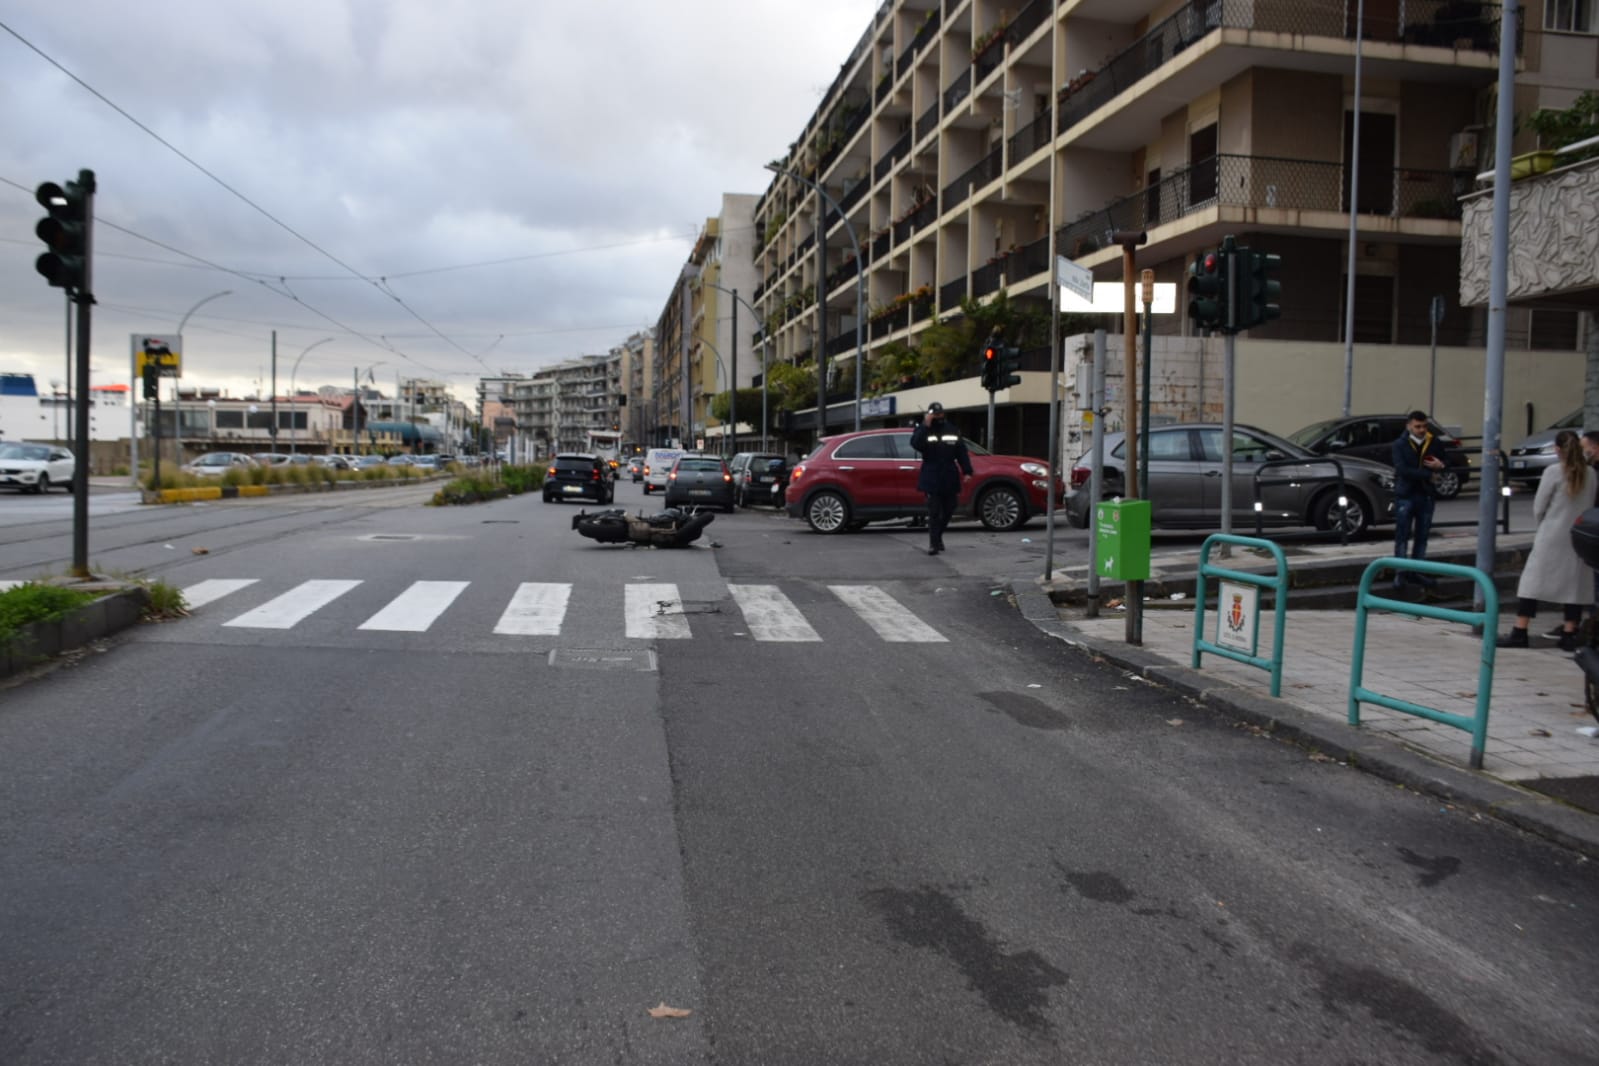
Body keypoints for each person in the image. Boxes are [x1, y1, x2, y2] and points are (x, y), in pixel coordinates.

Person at [1499, 430, 1596, 651]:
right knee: (1574, 585)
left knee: (1532, 584)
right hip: (1577, 535)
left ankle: (1520, 630)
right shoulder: (1590, 473)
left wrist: (1545, 523)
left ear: (1557, 449)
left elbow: (1539, 506)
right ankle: (1569, 632)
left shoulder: (1553, 471)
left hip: (1552, 534)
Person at [1390, 410, 1447, 588]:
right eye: (1417, 426)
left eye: (1424, 426)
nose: (1421, 430)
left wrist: (1441, 465)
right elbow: (1402, 469)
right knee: (1402, 535)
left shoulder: (1434, 442)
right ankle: (1400, 573)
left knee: (1422, 536)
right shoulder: (1400, 444)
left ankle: (1417, 571)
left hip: (1426, 495)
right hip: (1406, 494)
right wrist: (1428, 475)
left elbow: (1447, 460)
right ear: (1409, 426)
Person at [910, 402, 972, 556]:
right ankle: (933, 544)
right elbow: (916, 444)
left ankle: (938, 536)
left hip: (949, 475)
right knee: (934, 511)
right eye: (934, 414)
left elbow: (961, 451)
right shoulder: (924, 429)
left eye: (940, 414)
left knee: (950, 508)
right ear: (929, 414)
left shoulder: (951, 429)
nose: (938, 416)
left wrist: (967, 471)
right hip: (931, 475)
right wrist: (925, 424)